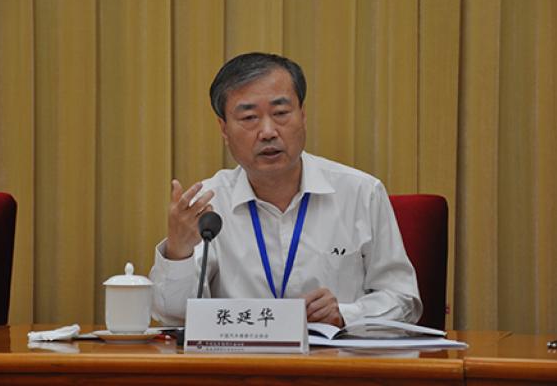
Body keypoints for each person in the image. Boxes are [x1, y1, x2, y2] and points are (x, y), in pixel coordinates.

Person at [149, 52, 422, 327]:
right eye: (249, 117)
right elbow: (172, 315)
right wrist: (179, 251)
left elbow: (404, 299)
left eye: (280, 113)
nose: (268, 131)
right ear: (224, 129)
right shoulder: (208, 206)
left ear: (302, 115)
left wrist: (345, 314)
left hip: (335, 353)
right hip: (241, 354)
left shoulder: (361, 193)